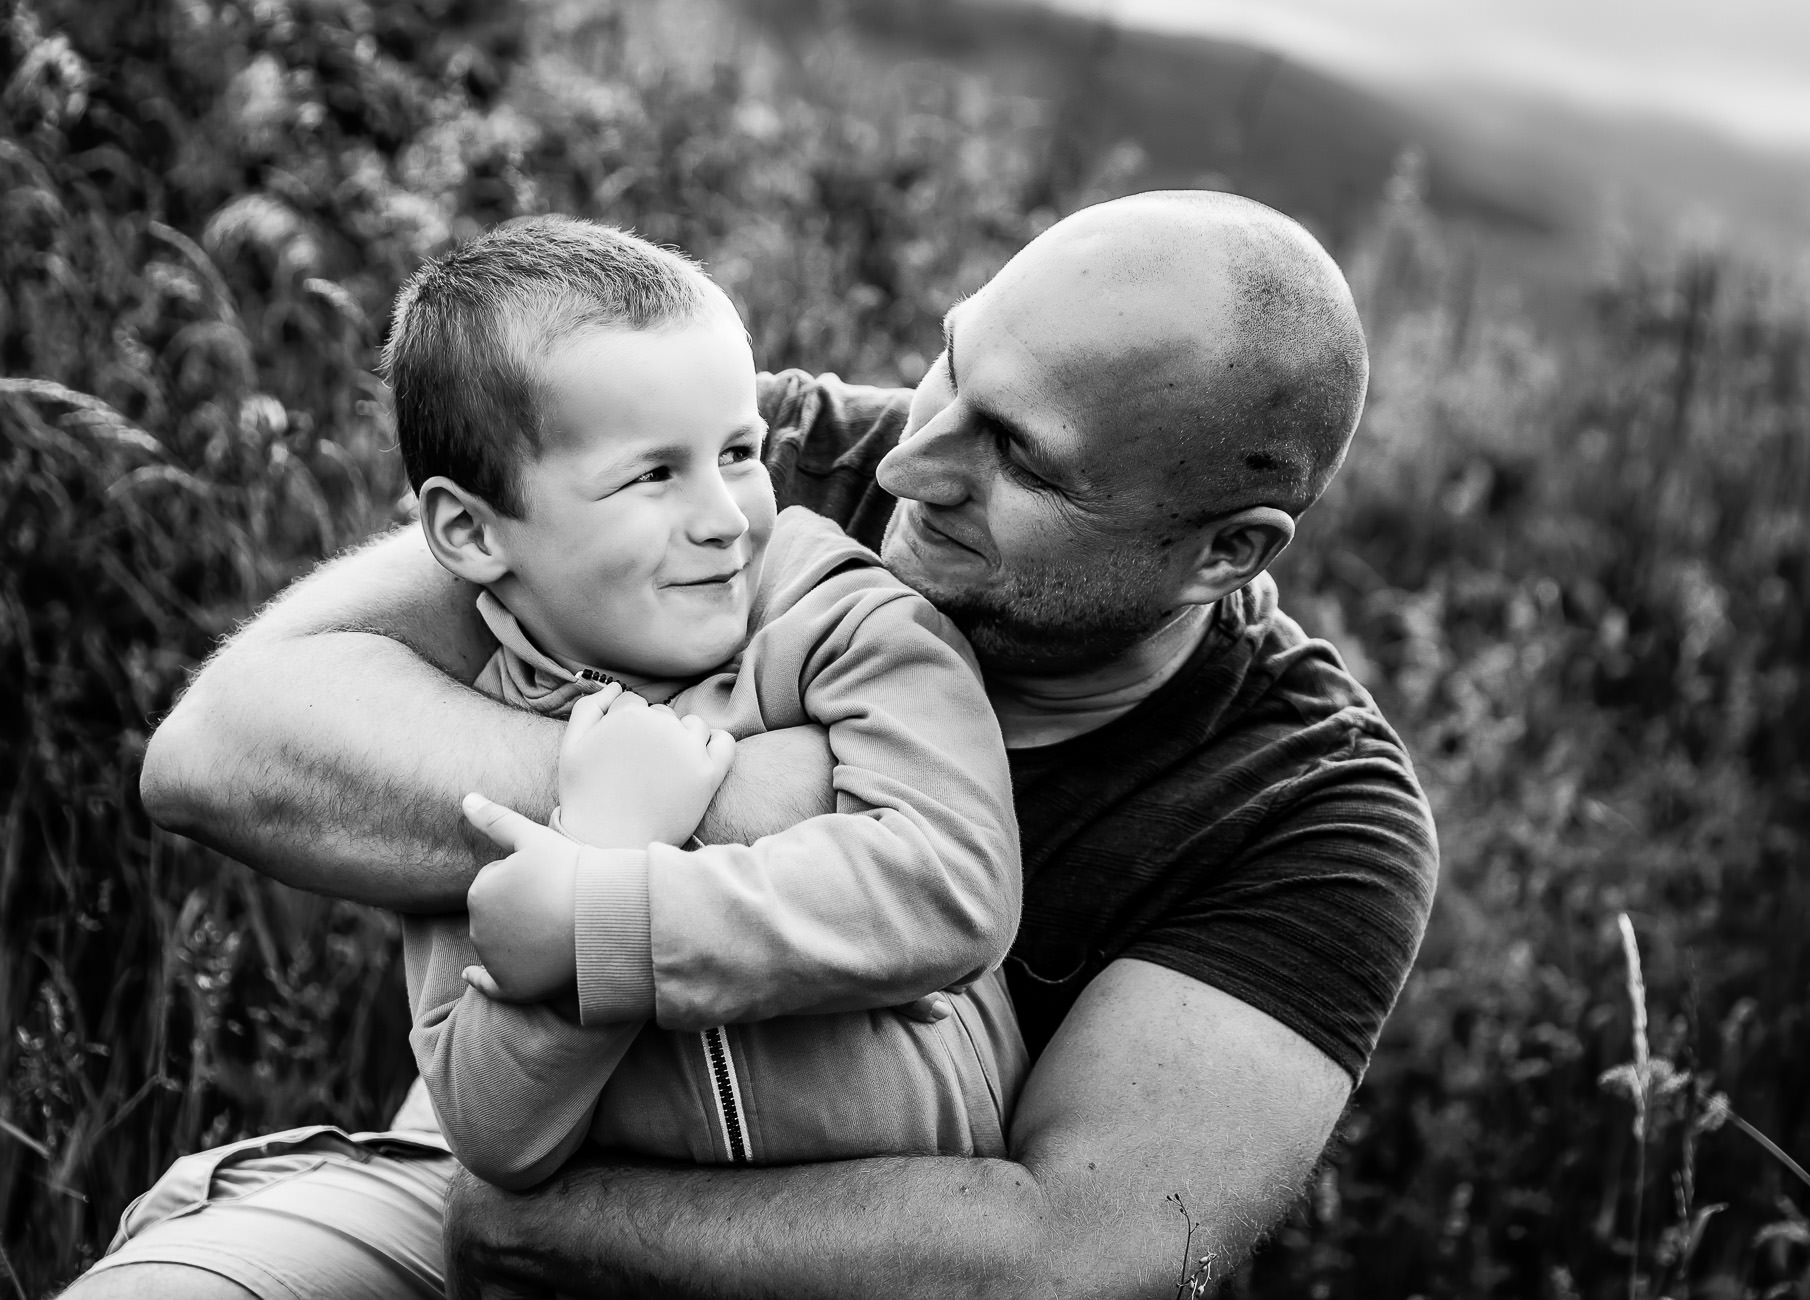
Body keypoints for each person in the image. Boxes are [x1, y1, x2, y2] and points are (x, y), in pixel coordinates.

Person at [73, 189, 1437, 1299]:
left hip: (589, 1224)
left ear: (1226, 552)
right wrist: (672, 797)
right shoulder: (750, 459)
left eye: (1017, 458)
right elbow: (229, 747)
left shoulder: (1309, 807)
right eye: (950, 364)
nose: (912, 463)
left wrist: (557, 1224)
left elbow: (1074, 1255)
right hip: (472, 1173)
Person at [384, 215, 1025, 1183]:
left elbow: (953, 885)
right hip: (631, 1261)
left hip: (915, 1248)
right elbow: (494, 1132)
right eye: (653, 474)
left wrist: (605, 913)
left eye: (739, 452)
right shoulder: (469, 740)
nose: (727, 520)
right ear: (472, 532)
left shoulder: (848, 618)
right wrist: (595, 850)